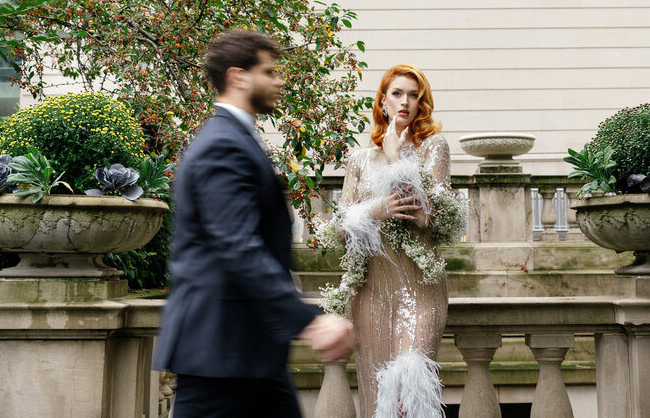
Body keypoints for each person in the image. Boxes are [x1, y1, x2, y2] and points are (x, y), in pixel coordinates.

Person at [154, 30, 354, 417]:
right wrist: (310, 323)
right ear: (238, 77)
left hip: (247, 349)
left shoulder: (233, 139)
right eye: (270, 71)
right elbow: (237, 246)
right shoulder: (223, 146)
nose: (279, 81)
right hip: (220, 351)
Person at [334, 64, 455, 418]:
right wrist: (375, 210)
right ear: (383, 101)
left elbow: (426, 217)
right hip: (370, 293)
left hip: (419, 290)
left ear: (421, 103)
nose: (405, 102)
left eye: (414, 95)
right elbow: (341, 230)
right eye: (397, 93)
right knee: (377, 400)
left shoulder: (435, 148)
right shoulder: (358, 159)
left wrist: (394, 158)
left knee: (410, 392)